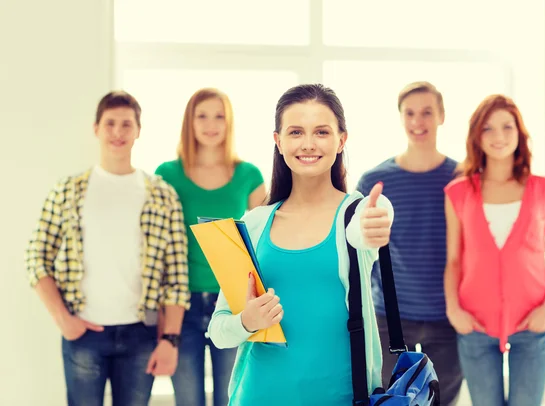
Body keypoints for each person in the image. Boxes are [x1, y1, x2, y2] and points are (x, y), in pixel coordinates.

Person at [207, 84, 394, 405]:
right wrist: (247, 322)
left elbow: (370, 227)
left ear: (341, 140)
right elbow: (219, 330)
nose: (308, 144)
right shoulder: (253, 223)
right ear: (278, 141)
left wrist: (376, 226)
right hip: (258, 395)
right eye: (295, 132)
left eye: (321, 132)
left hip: (341, 397)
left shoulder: (359, 213)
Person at [25, 91, 190, 406]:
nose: (118, 132)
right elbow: (35, 257)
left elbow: (177, 275)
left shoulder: (162, 194)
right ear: (96, 128)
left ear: (138, 130)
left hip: (140, 334)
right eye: (110, 123)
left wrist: (170, 339)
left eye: (126, 124)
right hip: (84, 333)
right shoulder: (69, 190)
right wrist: (63, 319)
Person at [444, 94, 545, 406]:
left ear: (520, 133)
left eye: (507, 127)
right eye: (488, 128)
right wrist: (454, 310)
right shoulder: (458, 193)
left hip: (532, 323)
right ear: (476, 136)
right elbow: (454, 260)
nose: (498, 136)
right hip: (475, 324)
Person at [155, 88, 266, 406]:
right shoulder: (167, 174)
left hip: (231, 302)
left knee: (231, 398)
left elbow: (264, 238)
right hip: (181, 306)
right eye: (201, 115)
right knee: (188, 400)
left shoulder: (248, 174)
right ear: (189, 122)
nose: (210, 124)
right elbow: (158, 244)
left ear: (229, 122)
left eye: (219, 115)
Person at [356, 81, 462, 405]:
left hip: (448, 319)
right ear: (400, 118)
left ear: (442, 116)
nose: (418, 121)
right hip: (390, 320)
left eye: (427, 112)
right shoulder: (374, 181)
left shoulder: (461, 178)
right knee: (389, 400)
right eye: (410, 113)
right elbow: (360, 252)